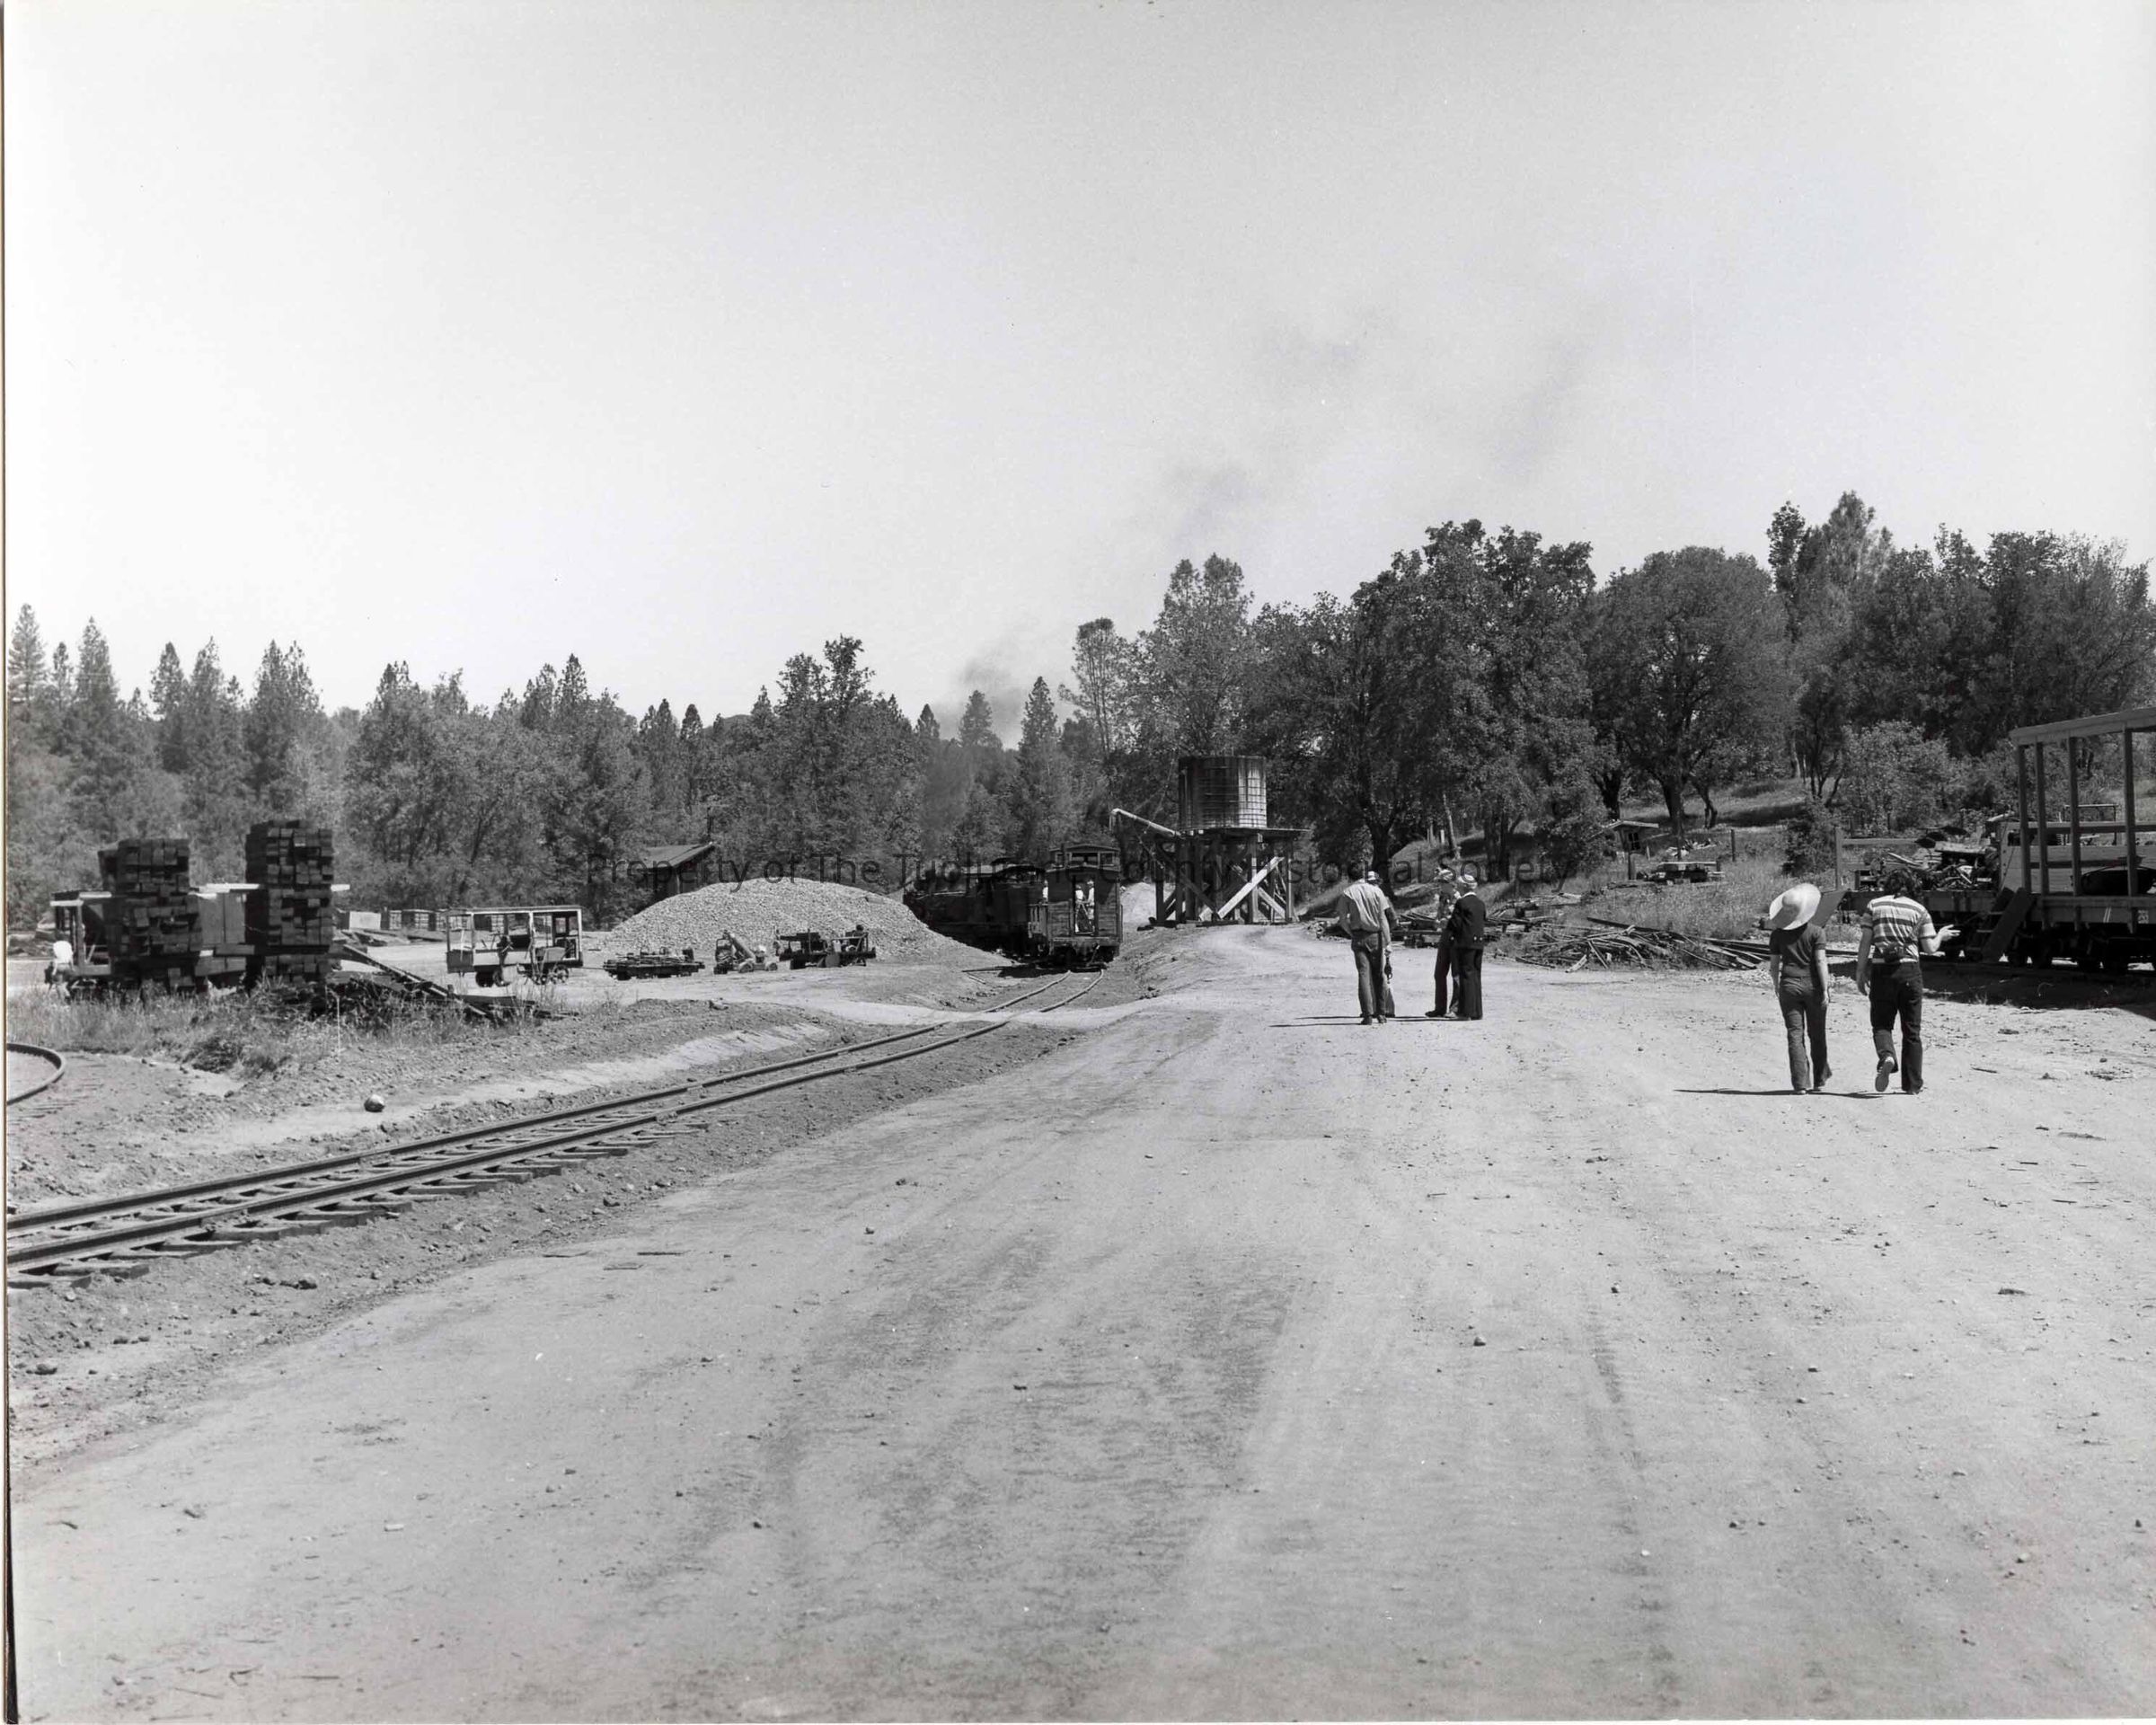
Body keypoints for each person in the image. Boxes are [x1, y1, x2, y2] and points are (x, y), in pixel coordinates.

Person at [1856, 871, 1946, 1094]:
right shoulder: (1919, 910)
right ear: (1912, 886)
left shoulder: (1874, 905)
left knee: (1881, 1024)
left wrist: (1860, 972)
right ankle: (1912, 1085)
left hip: (1882, 971)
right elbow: (1930, 948)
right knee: (1912, 1030)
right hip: (1910, 972)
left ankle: (1887, 1055)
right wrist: (1942, 935)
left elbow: (1866, 941)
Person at [1763, 882, 1831, 1093]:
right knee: (1817, 1033)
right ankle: (1820, 1080)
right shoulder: (1816, 932)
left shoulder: (1777, 935)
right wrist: (1825, 989)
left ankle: (1800, 1084)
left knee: (1795, 1034)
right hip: (1813, 985)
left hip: (1789, 985)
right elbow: (1820, 961)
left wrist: (1776, 985)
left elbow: (1774, 965)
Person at [1337, 868, 1395, 1024]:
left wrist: (1351, 933)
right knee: (1378, 975)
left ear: (1349, 877)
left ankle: (1367, 1015)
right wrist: (1388, 941)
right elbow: (1383, 919)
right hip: (1375, 936)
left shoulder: (1347, 893)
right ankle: (1381, 1014)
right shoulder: (1376, 891)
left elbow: (1342, 920)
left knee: (1363, 974)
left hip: (1358, 935)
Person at [1446, 870, 1488, 1020]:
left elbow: (1455, 924)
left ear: (1464, 887)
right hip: (1479, 943)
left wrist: (1448, 930)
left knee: (1465, 976)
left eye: (1458, 885)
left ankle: (1466, 1012)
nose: (1457, 888)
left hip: (1465, 943)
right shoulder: (1480, 903)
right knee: (1476, 976)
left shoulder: (1462, 903)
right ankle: (1477, 1011)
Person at [1424, 868, 1458, 1018]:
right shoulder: (1443, 897)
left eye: (1443, 882)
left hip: (1456, 935)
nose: (1440, 885)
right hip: (1445, 934)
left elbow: (1454, 917)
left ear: (1451, 883)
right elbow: (1439, 915)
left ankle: (1455, 1008)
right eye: (1440, 882)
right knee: (1439, 973)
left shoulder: (1459, 898)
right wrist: (1438, 921)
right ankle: (1440, 1007)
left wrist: (1442, 922)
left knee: (1456, 973)